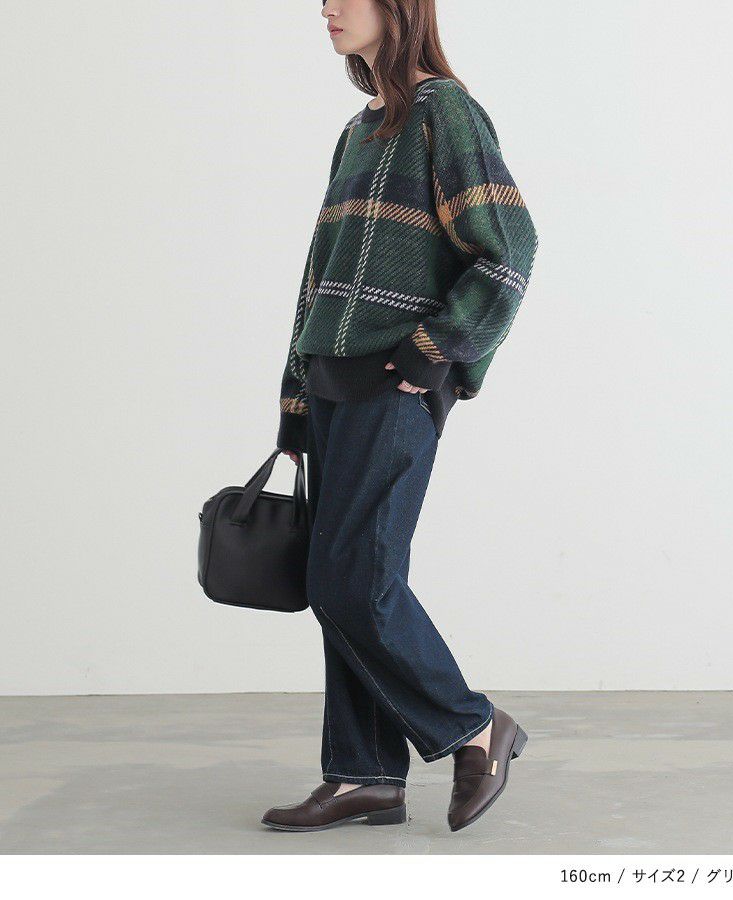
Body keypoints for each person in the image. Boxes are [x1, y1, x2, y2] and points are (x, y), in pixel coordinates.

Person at [263, 0, 538, 833]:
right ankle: (364, 775)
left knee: (353, 579)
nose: (328, 7)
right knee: (339, 580)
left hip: (395, 386)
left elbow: (510, 248)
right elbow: (318, 279)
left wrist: (436, 349)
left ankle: (475, 726)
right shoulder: (359, 131)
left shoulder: (443, 112)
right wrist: (295, 400)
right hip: (334, 383)